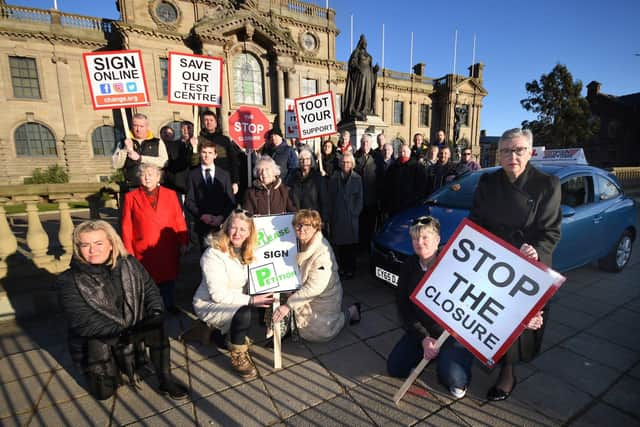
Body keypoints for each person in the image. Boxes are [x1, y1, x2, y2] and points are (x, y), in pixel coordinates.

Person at [469, 128, 561, 401]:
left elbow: (551, 232)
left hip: (525, 267)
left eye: (519, 150)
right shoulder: (488, 181)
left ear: (530, 152)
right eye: (506, 150)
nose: (513, 156)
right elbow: (475, 221)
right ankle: (488, 355)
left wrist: (536, 250)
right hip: (492, 260)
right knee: (491, 315)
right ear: (498, 154)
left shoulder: (547, 184)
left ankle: (507, 373)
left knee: (515, 324)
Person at [57, 220, 188, 401]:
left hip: (129, 331)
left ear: (111, 244)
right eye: (85, 245)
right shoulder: (68, 280)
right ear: (78, 248)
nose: (92, 250)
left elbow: (151, 290)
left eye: (98, 243)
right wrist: (126, 334)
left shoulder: (129, 264)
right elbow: (84, 322)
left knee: (156, 326)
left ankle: (165, 379)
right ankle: (115, 368)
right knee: (104, 394)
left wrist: (156, 313)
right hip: (100, 342)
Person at [387, 216, 473, 399]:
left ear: (437, 240)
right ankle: (430, 352)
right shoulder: (409, 265)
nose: (419, 242)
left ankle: (456, 360)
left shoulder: (454, 262)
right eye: (415, 238)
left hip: (451, 333)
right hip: (423, 329)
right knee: (395, 368)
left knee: (453, 379)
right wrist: (423, 337)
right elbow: (403, 305)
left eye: (425, 237)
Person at [192, 210, 275, 378]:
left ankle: (209, 331)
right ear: (226, 227)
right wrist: (251, 299)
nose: (237, 233)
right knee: (244, 314)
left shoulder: (249, 251)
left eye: (243, 229)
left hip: (233, 300)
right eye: (233, 228)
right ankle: (238, 356)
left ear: (250, 232)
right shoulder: (212, 254)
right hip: (209, 302)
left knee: (232, 333)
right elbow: (218, 294)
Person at [272, 209, 361, 342]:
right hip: (303, 290)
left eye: (307, 225)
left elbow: (315, 288)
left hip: (324, 296)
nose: (302, 229)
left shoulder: (322, 252)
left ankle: (351, 312)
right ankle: (291, 326)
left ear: (316, 227)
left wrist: (288, 305)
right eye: (298, 225)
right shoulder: (297, 242)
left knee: (323, 334)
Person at [121, 163, 188, 313]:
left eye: (151, 174)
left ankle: (169, 305)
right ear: (139, 177)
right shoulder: (131, 197)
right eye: (144, 174)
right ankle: (152, 308)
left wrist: (183, 240)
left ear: (158, 177)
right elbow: (126, 225)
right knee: (147, 279)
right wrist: (128, 249)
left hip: (167, 244)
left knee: (169, 278)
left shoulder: (170, 194)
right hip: (143, 246)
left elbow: (179, 219)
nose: (147, 177)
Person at [185, 140, 235, 249]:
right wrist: (202, 215)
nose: (206, 156)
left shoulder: (224, 175)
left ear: (215, 155)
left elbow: (230, 201)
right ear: (199, 154)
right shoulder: (193, 175)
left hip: (221, 223)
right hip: (202, 223)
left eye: (210, 153)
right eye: (204, 152)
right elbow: (189, 201)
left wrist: (221, 217)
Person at [327, 151, 363, 279]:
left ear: (352, 164)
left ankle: (351, 268)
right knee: (340, 245)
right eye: (343, 162)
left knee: (351, 246)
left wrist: (355, 212)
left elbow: (360, 198)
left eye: (348, 162)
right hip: (338, 215)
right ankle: (342, 268)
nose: (345, 164)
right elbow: (330, 197)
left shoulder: (357, 178)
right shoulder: (334, 178)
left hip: (351, 217)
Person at [112, 113, 168, 191]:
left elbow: (163, 162)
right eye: (135, 126)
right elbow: (116, 164)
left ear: (147, 126)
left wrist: (141, 158)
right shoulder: (123, 142)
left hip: (154, 187)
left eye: (141, 126)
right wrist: (125, 149)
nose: (138, 129)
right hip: (133, 187)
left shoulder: (157, 142)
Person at [199, 110, 240, 195]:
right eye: (206, 120)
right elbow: (194, 161)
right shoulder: (198, 140)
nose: (208, 122)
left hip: (223, 179)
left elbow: (233, 161)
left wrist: (235, 181)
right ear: (203, 123)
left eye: (211, 120)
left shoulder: (224, 140)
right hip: (204, 180)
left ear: (216, 123)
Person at [383, 143, 427, 216]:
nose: (402, 154)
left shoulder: (417, 167)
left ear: (409, 153)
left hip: (410, 205)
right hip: (394, 205)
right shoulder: (393, 167)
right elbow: (387, 186)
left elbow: (421, 187)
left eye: (405, 152)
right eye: (400, 152)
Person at [342, 34, 379, 121]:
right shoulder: (356, 52)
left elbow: (371, 68)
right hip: (359, 77)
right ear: (360, 43)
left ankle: (366, 109)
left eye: (366, 43)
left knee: (367, 94)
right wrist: (358, 68)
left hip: (368, 77)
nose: (365, 44)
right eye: (364, 42)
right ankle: (358, 109)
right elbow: (352, 63)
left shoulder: (369, 56)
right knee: (360, 93)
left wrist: (375, 70)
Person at [286, 147, 327, 219]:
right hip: (297, 216)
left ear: (311, 161)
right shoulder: (292, 177)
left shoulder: (318, 177)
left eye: (307, 159)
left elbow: (324, 199)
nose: (305, 162)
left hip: (313, 217)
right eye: (302, 159)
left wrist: (323, 218)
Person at [164, 120, 200, 196]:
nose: (186, 131)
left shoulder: (199, 145)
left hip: (194, 183)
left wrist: (193, 147)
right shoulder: (172, 145)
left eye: (189, 128)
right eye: (183, 128)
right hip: (177, 183)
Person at [354, 133, 378, 248]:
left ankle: (369, 247)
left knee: (370, 224)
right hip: (358, 196)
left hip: (372, 197)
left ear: (371, 143)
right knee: (360, 224)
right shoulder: (355, 156)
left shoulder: (376, 157)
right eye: (363, 142)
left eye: (367, 142)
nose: (365, 144)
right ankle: (360, 246)